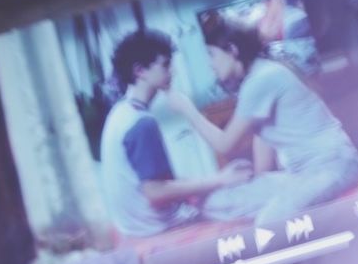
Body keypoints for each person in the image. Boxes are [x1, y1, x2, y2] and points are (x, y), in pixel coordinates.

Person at [163, 14, 358, 225]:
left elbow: (225, 145)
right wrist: (256, 185)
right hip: (300, 175)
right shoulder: (256, 77)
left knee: (269, 220)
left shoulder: (261, 79)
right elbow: (262, 141)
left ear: (233, 51)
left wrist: (187, 109)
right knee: (214, 203)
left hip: (335, 166)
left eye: (212, 55)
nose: (210, 65)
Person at [99, 29, 256, 238]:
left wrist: (211, 181)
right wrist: (221, 179)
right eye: (165, 65)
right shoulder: (141, 122)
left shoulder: (121, 112)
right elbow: (155, 192)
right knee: (245, 211)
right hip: (155, 226)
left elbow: (157, 184)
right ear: (140, 71)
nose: (172, 71)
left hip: (137, 224)